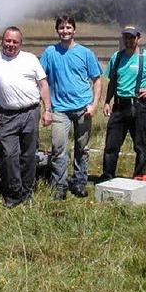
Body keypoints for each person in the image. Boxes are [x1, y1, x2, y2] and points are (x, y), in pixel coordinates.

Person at [0, 26, 52, 208]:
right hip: (7, 115)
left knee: (29, 155)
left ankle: (27, 193)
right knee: (10, 156)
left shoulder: (30, 59)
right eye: (8, 40)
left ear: (20, 44)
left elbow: (43, 84)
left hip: (31, 112)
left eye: (15, 42)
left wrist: (47, 110)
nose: (11, 45)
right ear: (2, 41)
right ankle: (14, 193)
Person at [40, 16, 102, 200]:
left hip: (83, 107)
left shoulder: (85, 53)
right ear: (57, 30)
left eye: (68, 27)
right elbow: (41, 79)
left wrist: (95, 104)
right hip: (59, 109)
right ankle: (60, 185)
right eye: (61, 27)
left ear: (74, 30)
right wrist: (46, 108)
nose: (65, 31)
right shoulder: (50, 53)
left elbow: (97, 79)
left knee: (82, 148)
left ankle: (80, 182)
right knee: (58, 148)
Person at [100, 26, 146, 181]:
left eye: (131, 37)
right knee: (111, 145)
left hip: (139, 106)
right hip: (119, 106)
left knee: (140, 145)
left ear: (138, 38)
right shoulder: (117, 57)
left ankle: (139, 177)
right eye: (126, 37)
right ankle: (107, 177)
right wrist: (107, 101)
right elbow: (112, 81)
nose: (128, 40)